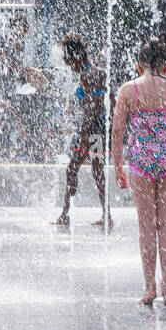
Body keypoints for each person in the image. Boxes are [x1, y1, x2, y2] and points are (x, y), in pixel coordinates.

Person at [111, 40, 166, 306]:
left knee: (146, 226)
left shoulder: (128, 90)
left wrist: (118, 166)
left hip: (140, 160)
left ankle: (149, 288)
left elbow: (117, 131)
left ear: (139, 65)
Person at [52, 32, 111, 230]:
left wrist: (84, 137)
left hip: (92, 129)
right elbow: (108, 101)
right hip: (99, 128)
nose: (69, 65)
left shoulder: (87, 75)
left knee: (74, 169)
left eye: (69, 61)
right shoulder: (97, 71)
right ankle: (106, 214)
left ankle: (66, 214)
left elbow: (90, 109)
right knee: (96, 170)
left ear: (75, 57)